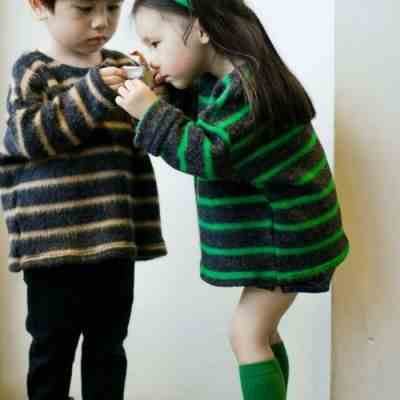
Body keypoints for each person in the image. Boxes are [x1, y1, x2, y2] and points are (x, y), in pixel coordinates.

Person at [115, 0, 350, 399]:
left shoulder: (246, 88)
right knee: (261, 333)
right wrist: (162, 96)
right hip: (292, 234)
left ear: (202, 29)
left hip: (287, 239)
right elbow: (204, 126)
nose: (151, 57)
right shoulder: (227, 80)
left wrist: (151, 112)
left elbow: (207, 153)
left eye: (155, 43)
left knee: (246, 335)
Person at [0, 1, 167, 399]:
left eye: (112, 7)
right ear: (39, 6)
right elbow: (28, 138)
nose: (101, 22)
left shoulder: (124, 67)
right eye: (84, 8)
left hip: (113, 242)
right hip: (52, 249)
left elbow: (144, 141)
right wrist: (93, 90)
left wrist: (157, 99)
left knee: (108, 350)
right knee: (51, 351)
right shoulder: (34, 70)